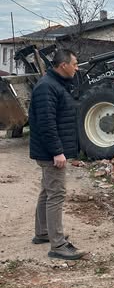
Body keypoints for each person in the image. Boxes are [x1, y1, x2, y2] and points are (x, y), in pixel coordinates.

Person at [29, 48, 84, 260]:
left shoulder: (55, 84)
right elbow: (46, 123)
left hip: (49, 151)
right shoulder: (47, 87)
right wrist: (57, 152)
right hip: (50, 153)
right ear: (63, 66)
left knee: (46, 192)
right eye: (75, 64)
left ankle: (43, 232)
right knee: (56, 195)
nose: (77, 68)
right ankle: (58, 245)